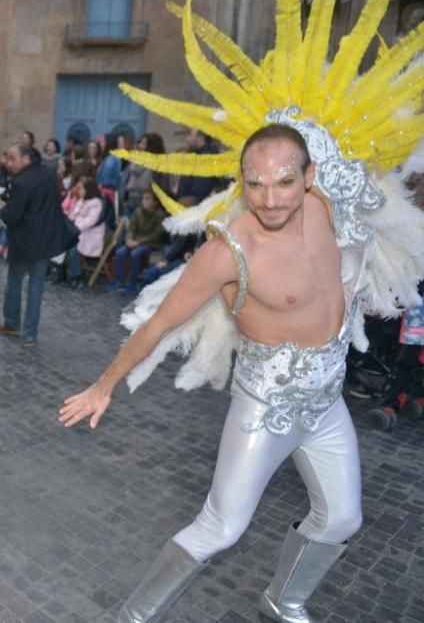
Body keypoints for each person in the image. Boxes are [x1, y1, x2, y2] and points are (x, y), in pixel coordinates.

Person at [60, 125, 367, 622]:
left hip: (329, 399)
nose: (268, 199)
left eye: (284, 182)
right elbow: (159, 324)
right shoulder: (229, 252)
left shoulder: (329, 207)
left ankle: (283, 599)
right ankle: (130, 617)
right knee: (220, 528)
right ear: (241, 181)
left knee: (341, 517)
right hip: (266, 407)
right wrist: (104, 384)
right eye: (255, 184)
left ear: (310, 176)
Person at [0, 144, 75, 347]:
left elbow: (12, 217)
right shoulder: (49, 175)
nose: (9, 163)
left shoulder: (21, 181)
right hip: (45, 240)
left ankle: (12, 323)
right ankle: (30, 334)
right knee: (36, 287)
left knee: (14, 282)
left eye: (12, 159)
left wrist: (3, 208)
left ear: (26, 159)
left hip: (24, 242)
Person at [107, 189, 165, 296]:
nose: (143, 201)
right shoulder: (138, 211)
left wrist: (138, 242)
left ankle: (132, 284)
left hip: (151, 243)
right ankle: (120, 282)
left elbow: (156, 234)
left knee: (135, 254)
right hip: (135, 241)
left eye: (147, 199)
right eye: (143, 198)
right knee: (120, 253)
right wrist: (129, 239)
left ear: (155, 202)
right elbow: (132, 228)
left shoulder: (160, 215)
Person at [64, 177, 105, 288]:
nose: (78, 191)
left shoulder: (96, 203)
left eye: (81, 189)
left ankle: (76, 276)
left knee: (73, 249)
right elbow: (74, 215)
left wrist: (75, 223)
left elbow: (90, 221)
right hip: (80, 232)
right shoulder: (82, 200)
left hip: (90, 235)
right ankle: (61, 272)